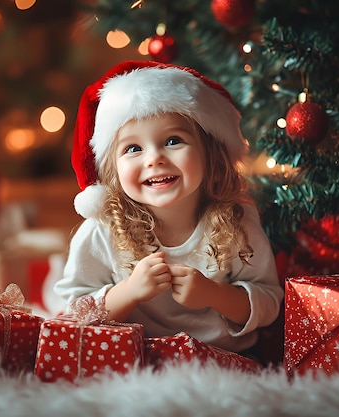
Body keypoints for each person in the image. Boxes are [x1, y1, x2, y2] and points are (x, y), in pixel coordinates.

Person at [54, 60, 283, 355]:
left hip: (224, 363)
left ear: (209, 154)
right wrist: (129, 292)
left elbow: (268, 304)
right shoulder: (102, 230)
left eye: (173, 140)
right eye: (133, 148)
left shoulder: (238, 221)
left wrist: (215, 294)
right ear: (113, 169)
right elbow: (73, 314)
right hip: (135, 363)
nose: (154, 159)